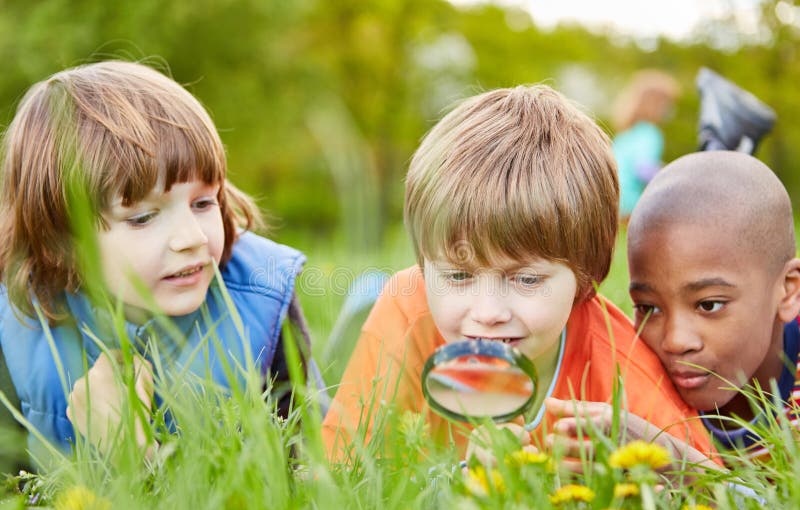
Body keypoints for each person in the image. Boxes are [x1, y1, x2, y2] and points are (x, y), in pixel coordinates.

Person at [321, 85, 713, 462]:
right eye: (458, 277)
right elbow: (338, 478)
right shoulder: (408, 312)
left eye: (525, 280)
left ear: (586, 276)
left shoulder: (618, 369)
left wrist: (668, 466)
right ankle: (356, 317)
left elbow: (728, 495)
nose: (488, 312)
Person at [0, 61, 324, 459]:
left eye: (203, 202)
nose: (192, 238)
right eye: (143, 217)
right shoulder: (15, 330)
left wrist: (140, 463)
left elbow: (315, 479)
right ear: (58, 241)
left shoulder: (263, 298)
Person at [549, 151, 800, 465]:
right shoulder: (636, 382)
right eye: (649, 308)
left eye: (709, 305)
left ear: (788, 291)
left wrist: (682, 467)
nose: (675, 341)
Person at [611, 70, 680, 220]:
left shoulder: (626, 133)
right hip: (628, 203)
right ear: (655, 104)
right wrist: (672, 175)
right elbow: (643, 169)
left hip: (611, 199)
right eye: (667, 104)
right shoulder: (650, 133)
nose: (669, 110)